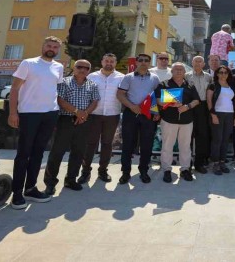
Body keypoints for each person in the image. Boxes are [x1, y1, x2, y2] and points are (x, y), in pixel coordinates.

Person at [7, 36, 65, 209]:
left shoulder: (59, 67)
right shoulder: (28, 63)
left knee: (38, 153)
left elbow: (53, 89)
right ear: (43, 46)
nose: (52, 48)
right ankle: (17, 193)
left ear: (58, 50)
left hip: (50, 113)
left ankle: (30, 188)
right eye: (49, 45)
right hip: (28, 114)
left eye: (55, 47)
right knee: (23, 154)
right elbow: (15, 89)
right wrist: (12, 113)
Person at [43, 60, 99, 195]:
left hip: (84, 121)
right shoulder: (64, 82)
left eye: (86, 68)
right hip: (66, 120)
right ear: (74, 68)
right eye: (79, 67)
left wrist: (84, 114)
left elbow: (95, 101)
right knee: (57, 152)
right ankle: (50, 183)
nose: (83, 70)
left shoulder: (92, 84)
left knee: (78, 152)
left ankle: (71, 179)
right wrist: (76, 111)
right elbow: (60, 100)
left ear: (89, 71)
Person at [116, 54, 160, 184]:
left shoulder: (155, 78)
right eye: (140, 60)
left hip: (148, 115)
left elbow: (156, 97)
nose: (143, 62)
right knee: (128, 144)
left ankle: (144, 171)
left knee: (147, 144)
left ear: (149, 63)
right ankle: (125, 172)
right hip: (131, 113)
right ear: (136, 62)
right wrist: (131, 106)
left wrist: (157, 111)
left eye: (146, 60)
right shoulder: (128, 77)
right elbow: (120, 94)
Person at [81, 53, 124, 184]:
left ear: (115, 63)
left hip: (112, 115)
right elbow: (84, 94)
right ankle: (85, 172)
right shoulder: (91, 76)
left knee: (107, 144)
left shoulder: (121, 78)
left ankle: (103, 171)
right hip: (93, 115)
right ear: (102, 62)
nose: (109, 63)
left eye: (112, 61)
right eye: (107, 61)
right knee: (90, 144)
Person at [157, 63, 201, 183]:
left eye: (181, 69)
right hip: (169, 120)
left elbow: (196, 101)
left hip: (187, 120)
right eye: (176, 69)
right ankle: (166, 170)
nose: (179, 71)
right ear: (171, 71)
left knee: (185, 146)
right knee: (167, 146)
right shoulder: (164, 84)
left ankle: (185, 169)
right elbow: (157, 100)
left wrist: (187, 106)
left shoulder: (190, 85)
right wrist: (170, 102)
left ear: (184, 72)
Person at [207, 66, 235, 175]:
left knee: (225, 140)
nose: (223, 74)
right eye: (221, 72)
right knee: (217, 140)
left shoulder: (231, 86)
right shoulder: (213, 85)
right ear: (217, 74)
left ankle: (222, 162)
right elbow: (209, 101)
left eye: (226, 72)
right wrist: (213, 115)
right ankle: (215, 163)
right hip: (218, 114)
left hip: (229, 115)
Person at [185, 56, 213, 174]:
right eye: (195, 61)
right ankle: (187, 163)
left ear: (204, 64)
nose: (197, 63)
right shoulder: (186, 76)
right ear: (192, 63)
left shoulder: (208, 76)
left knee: (202, 136)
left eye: (200, 61)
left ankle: (199, 163)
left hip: (203, 107)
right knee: (188, 137)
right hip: (189, 107)